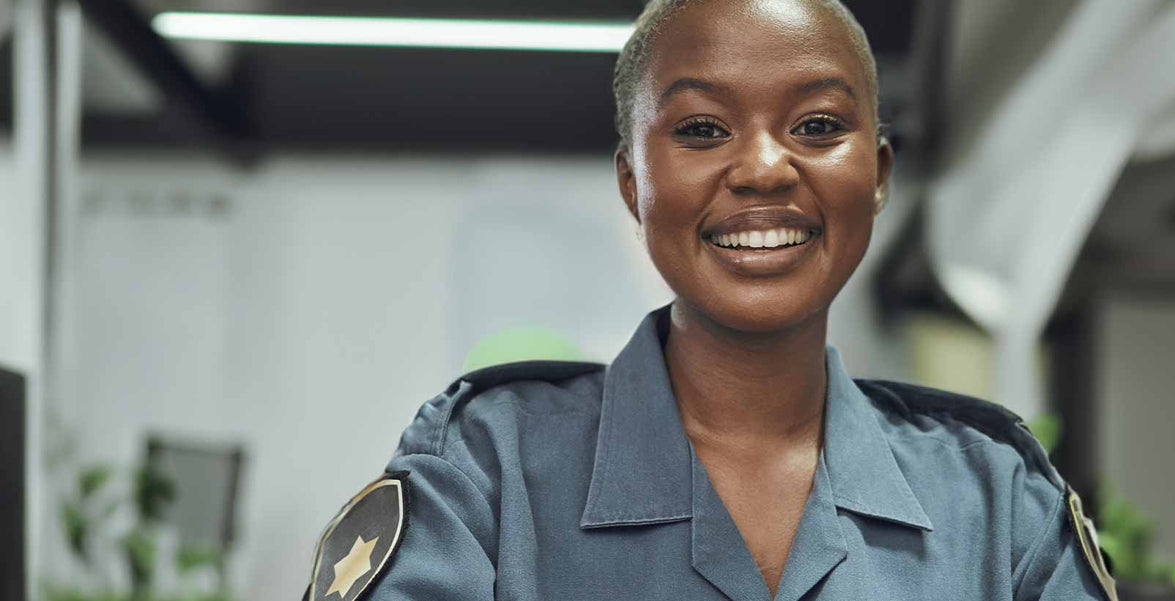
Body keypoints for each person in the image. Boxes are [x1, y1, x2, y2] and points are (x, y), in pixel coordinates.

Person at [302, 0, 1117, 599]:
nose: (764, 167)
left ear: (878, 174)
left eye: (818, 124)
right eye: (700, 129)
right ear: (634, 182)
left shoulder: (996, 498)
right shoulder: (486, 471)